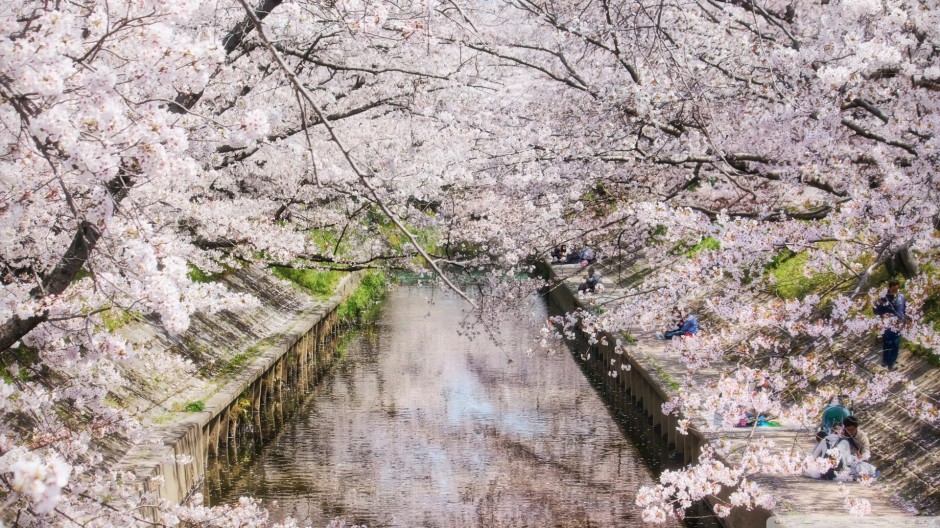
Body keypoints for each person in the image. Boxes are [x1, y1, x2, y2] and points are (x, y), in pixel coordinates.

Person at [873, 279, 908, 369]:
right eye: (893, 289)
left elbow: (905, 309)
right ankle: (885, 359)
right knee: (887, 343)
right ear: (889, 288)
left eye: (897, 289)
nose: (895, 291)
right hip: (887, 324)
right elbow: (875, 310)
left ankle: (891, 363)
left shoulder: (902, 297)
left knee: (895, 344)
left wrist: (906, 319)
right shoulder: (883, 298)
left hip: (898, 324)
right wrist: (882, 314)